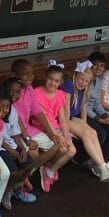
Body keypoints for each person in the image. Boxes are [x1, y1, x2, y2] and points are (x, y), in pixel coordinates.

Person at [63, 61, 109, 182]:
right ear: (75, 76)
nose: (83, 83)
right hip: (63, 118)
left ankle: (103, 167)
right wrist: (79, 130)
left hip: (72, 117)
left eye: (87, 81)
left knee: (93, 132)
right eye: (81, 79)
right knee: (86, 134)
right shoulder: (69, 85)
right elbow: (65, 111)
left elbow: (84, 109)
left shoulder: (82, 90)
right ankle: (102, 167)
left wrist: (85, 126)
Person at [28, 62, 78, 192]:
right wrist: (58, 136)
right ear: (45, 77)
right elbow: (44, 119)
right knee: (62, 149)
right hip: (42, 127)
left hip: (56, 128)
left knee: (71, 150)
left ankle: (49, 170)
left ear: (60, 82)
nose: (53, 83)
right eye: (50, 79)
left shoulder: (60, 94)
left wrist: (65, 135)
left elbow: (62, 117)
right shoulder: (37, 93)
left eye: (56, 81)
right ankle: (49, 166)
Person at [0, 76, 38, 208]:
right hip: (0, 148)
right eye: (11, 91)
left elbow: (15, 134)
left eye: (17, 92)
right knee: (13, 171)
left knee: (29, 164)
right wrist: (12, 152)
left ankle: (11, 189)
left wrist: (22, 148)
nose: (14, 95)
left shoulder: (13, 110)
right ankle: (6, 192)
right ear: (5, 91)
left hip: (11, 145)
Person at [84, 51, 109, 163]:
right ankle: (85, 159)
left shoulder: (99, 81)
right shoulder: (85, 80)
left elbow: (96, 103)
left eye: (102, 65)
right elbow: (85, 107)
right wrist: (100, 120)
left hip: (93, 113)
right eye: (95, 64)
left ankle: (103, 161)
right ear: (89, 65)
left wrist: (105, 115)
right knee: (101, 134)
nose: (98, 68)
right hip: (83, 114)